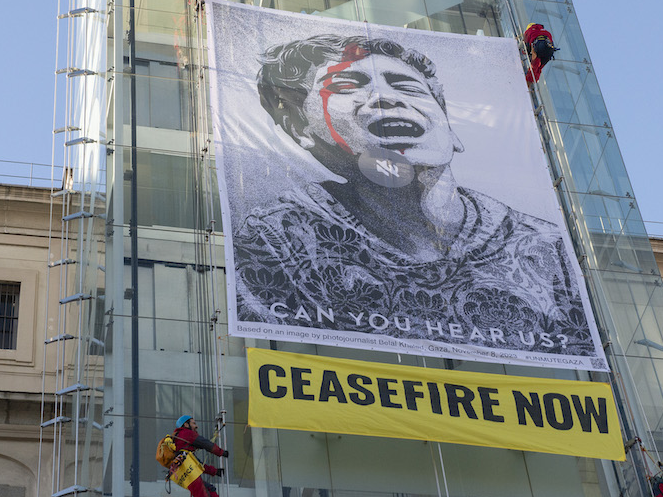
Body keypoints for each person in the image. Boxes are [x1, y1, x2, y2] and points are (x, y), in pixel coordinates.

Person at [230, 34, 598, 360]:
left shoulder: (550, 248)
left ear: (449, 127)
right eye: (345, 85)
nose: (384, 98)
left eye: (407, 87)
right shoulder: (278, 236)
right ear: (300, 129)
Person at [170, 415, 232, 497]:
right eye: (193, 423)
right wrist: (222, 453)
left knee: (208, 489)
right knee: (202, 496)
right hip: (186, 472)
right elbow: (206, 444)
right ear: (186, 425)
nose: (196, 426)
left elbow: (197, 464)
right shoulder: (187, 434)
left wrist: (215, 471)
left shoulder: (181, 444)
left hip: (182, 473)